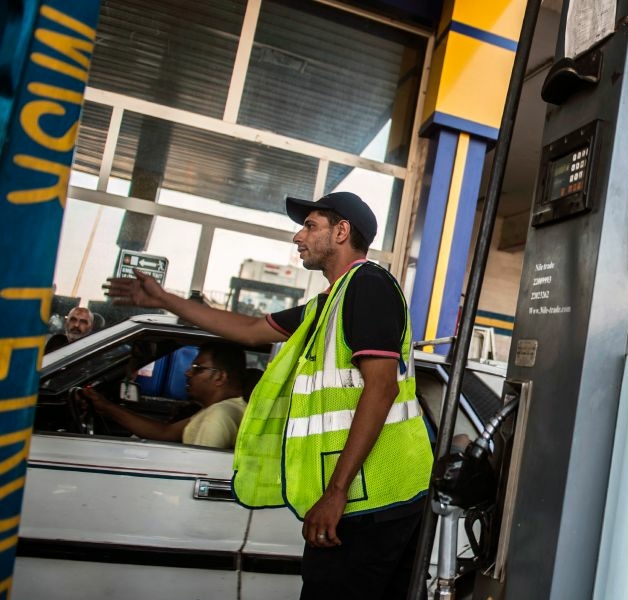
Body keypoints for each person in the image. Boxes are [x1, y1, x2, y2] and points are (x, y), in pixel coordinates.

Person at [104, 191, 432, 600]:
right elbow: (250, 330)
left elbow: (381, 389)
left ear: (342, 232)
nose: (298, 236)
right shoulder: (329, 302)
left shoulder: (368, 286)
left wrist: (336, 493)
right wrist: (164, 299)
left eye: (310, 226)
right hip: (376, 495)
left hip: (371, 499)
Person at [77, 341, 248, 449]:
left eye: (197, 369)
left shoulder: (218, 416)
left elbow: (197, 473)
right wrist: (106, 407)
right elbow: (164, 432)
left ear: (220, 377)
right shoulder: (224, 409)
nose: (188, 373)